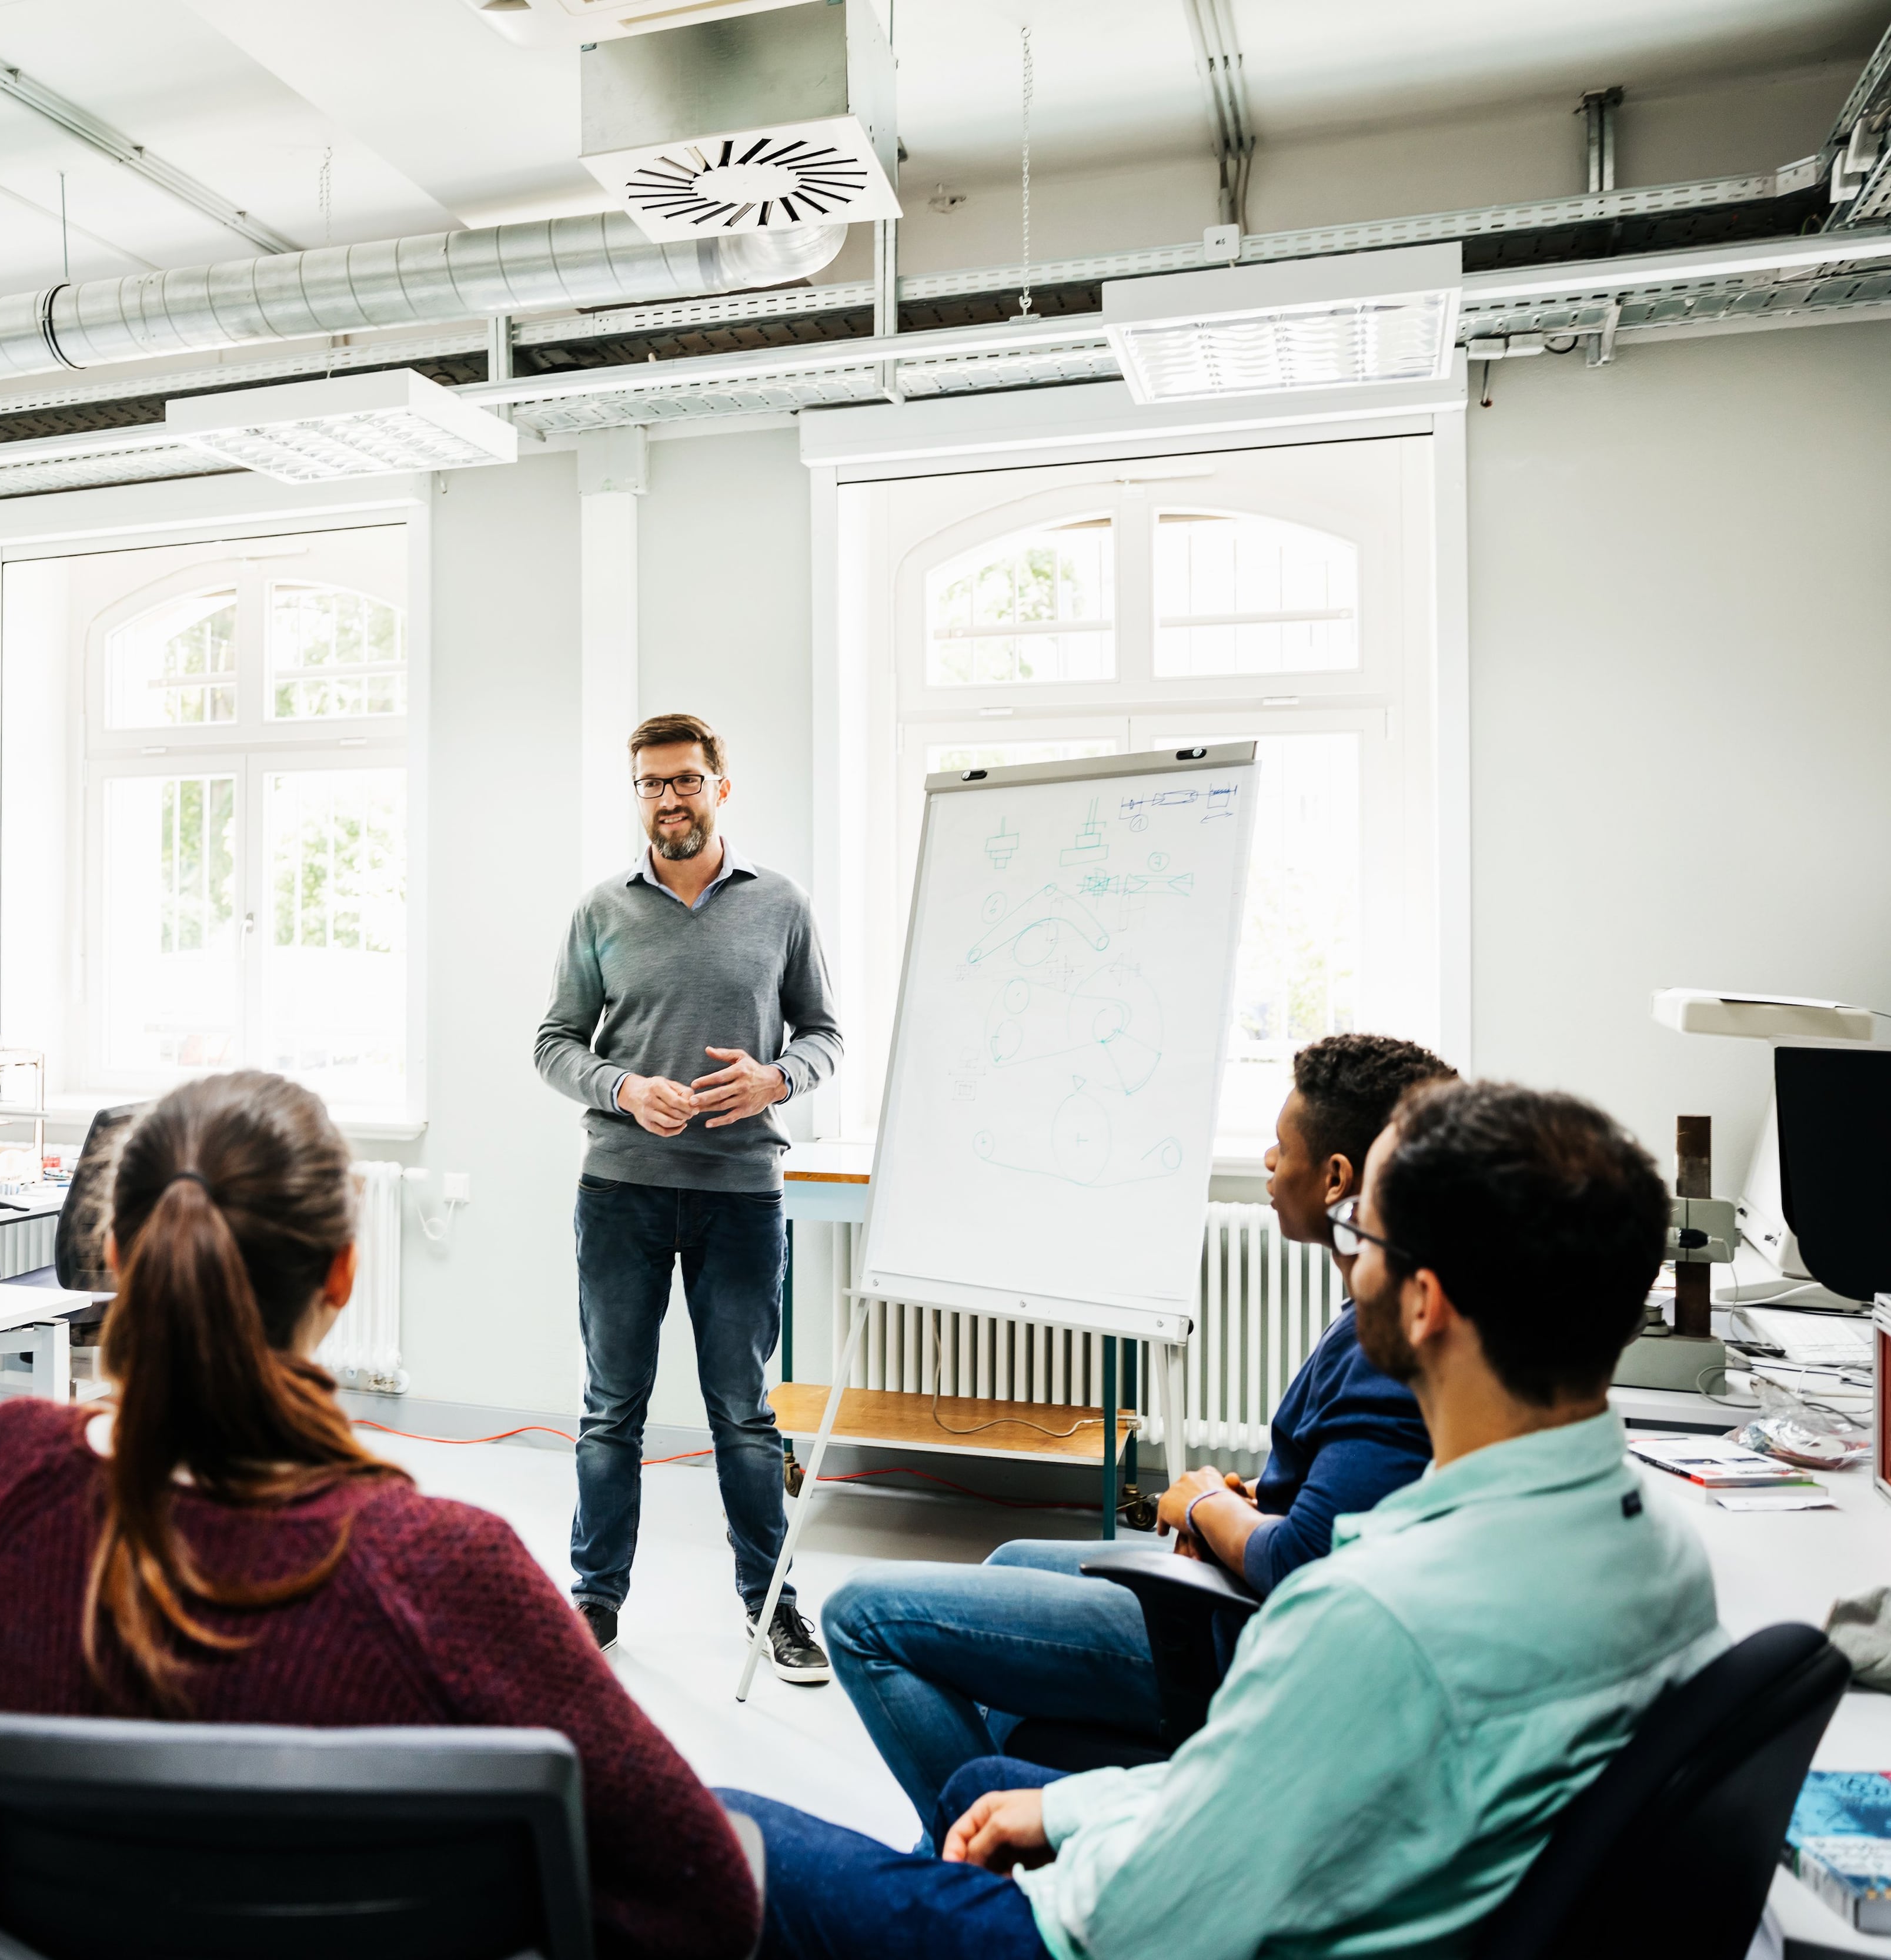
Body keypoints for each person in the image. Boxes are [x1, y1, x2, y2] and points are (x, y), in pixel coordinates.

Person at [727, 1078, 1724, 1960]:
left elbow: (1134, 1917)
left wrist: (1058, 1848)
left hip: (1092, 1930)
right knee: (984, 1786)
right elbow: (1251, 1788)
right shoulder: (1665, 1549)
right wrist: (1070, 1802)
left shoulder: (1369, 1619)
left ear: (1426, 1302)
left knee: (703, 1833)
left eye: (1360, 1235)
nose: (1349, 1260)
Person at [0, 1070, 761, 1960]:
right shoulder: (450, 1565)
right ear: (344, 1272)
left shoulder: (3, 1467)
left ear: (121, 1258)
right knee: (771, 1837)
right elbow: (704, 1904)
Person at [823, 1033, 1452, 1835]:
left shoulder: (1384, 1341)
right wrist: (1256, 1496)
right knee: (1011, 1561)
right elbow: (1354, 1497)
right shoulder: (1373, 1313)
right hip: (1242, 1595)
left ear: (1336, 1179)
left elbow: (1304, 1561)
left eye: (1281, 1144)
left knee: (858, 1614)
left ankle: (986, 1859)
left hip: (1245, 1634)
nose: (1266, 1157)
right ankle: (991, 1812)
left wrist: (1205, 1509)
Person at [534, 710, 843, 1679]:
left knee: (746, 1414)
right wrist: (624, 1086)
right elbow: (554, 1043)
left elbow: (825, 1033)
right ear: (638, 794)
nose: (669, 797)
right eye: (651, 783)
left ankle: (772, 1604)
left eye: (685, 779)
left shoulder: (782, 905)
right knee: (609, 1409)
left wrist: (774, 1080)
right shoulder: (599, 911)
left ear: (720, 786)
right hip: (622, 1191)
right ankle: (597, 1598)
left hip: (742, 1194)